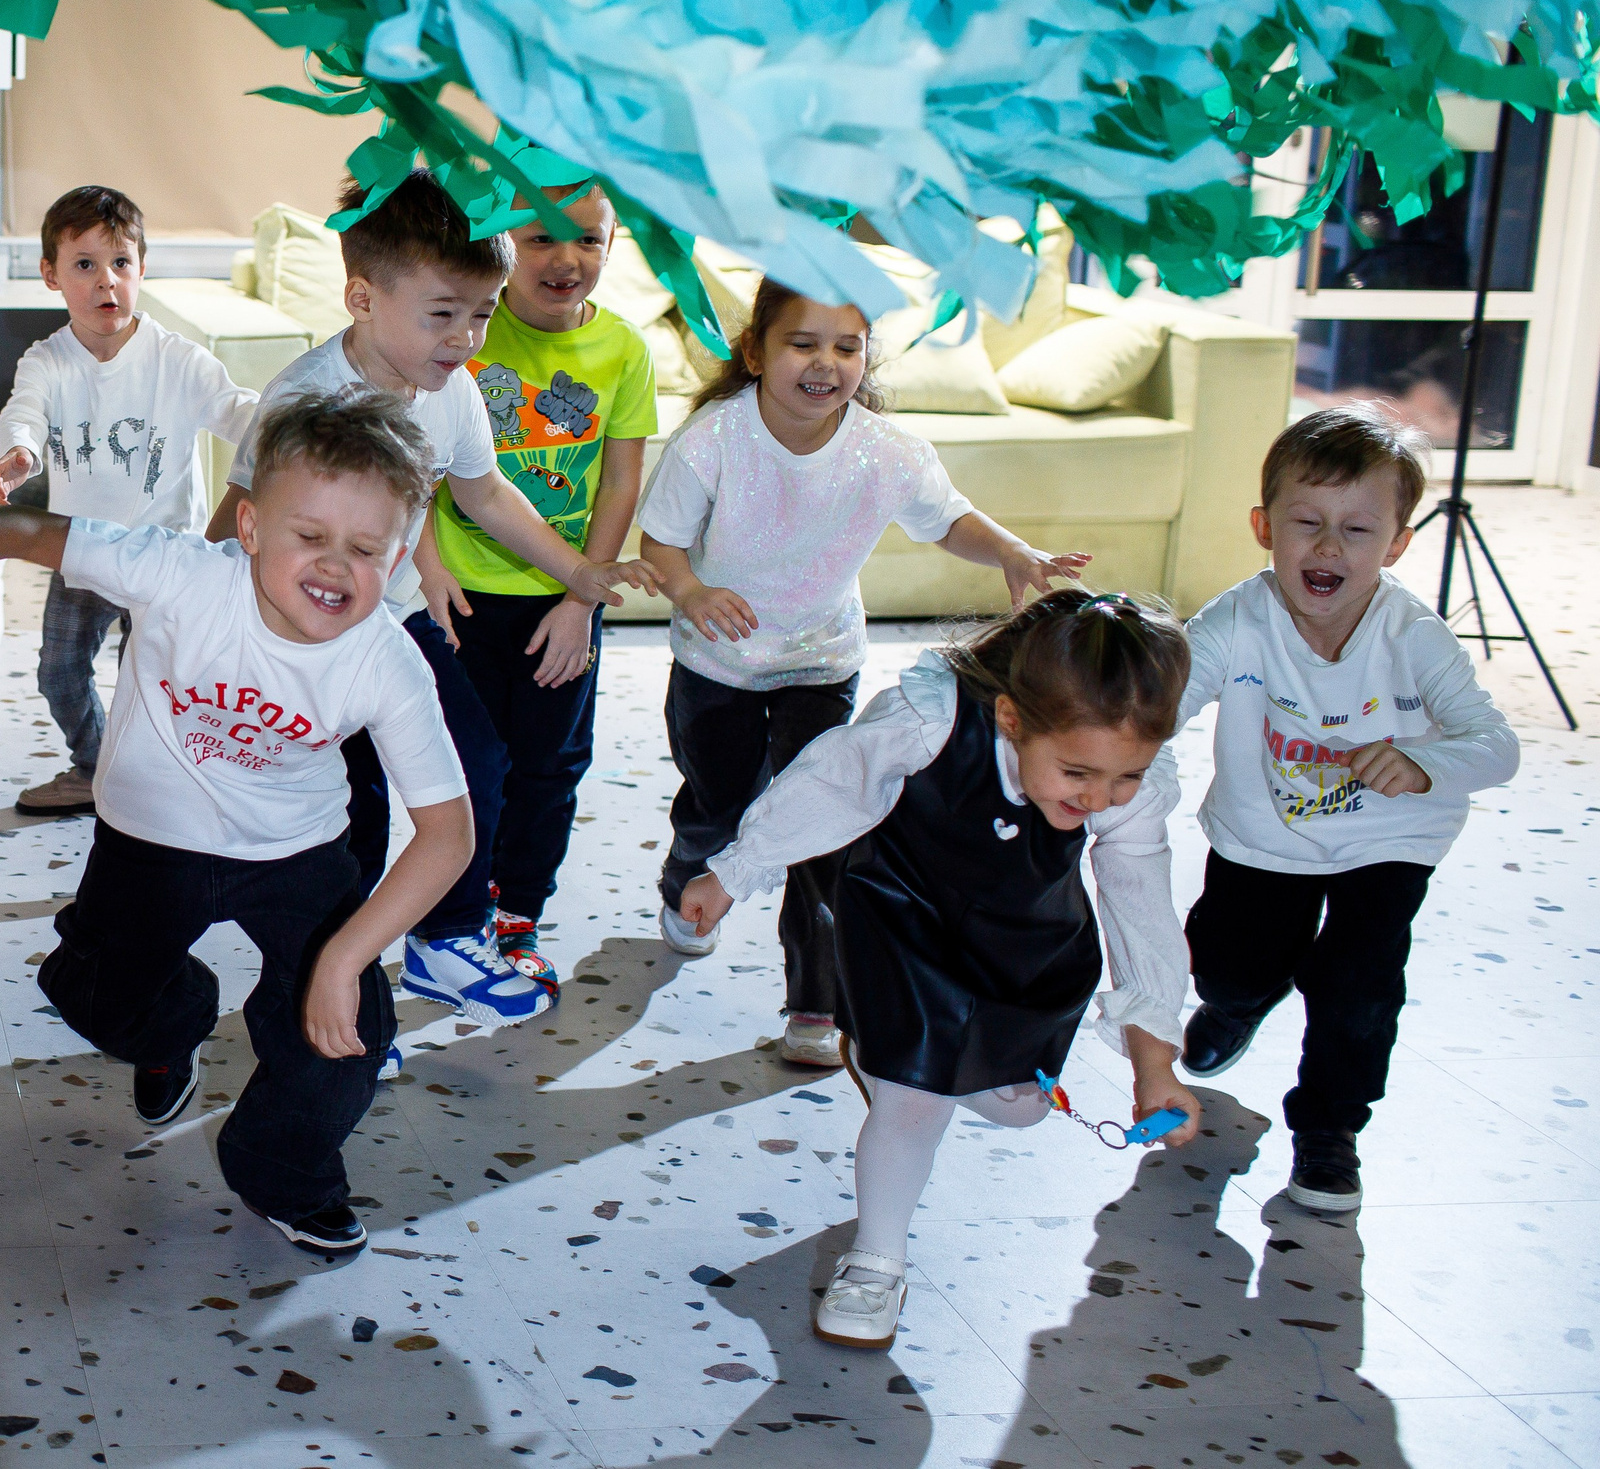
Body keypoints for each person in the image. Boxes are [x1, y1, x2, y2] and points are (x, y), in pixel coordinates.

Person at [0, 391, 474, 1256]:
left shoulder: (385, 659)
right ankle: (173, 1028)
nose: (336, 566)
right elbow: (32, 533)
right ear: (249, 528)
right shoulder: (182, 572)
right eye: (310, 535)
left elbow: (449, 834)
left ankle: (279, 1168)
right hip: (149, 841)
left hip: (297, 851)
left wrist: (345, 956)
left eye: (366, 549)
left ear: (398, 555)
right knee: (92, 991)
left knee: (346, 1031)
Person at [673, 589, 1203, 1350]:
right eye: (1079, 773)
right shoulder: (930, 720)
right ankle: (876, 1261)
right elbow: (829, 783)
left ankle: (907, 1070)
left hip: (1026, 942)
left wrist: (1155, 1064)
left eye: (1123, 778)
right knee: (914, 1098)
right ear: (1013, 720)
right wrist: (735, 868)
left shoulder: (1121, 779)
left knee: (1021, 1106)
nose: (1100, 798)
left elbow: (1139, 903)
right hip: (905, 921)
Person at [211, 169, 654, 1033]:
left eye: (482, 313)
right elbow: (240, 517)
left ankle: (447, 934)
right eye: (443, 313)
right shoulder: (304, 398)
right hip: (305, 636)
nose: (467, 337)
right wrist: (193, 615)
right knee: (350, 814)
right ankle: (340, 998)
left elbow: (486, 494)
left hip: (396, 623)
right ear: (363, 297)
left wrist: (577, 572)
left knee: (474, 762)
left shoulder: (452, 392)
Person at [638, 276, 1090, 1066]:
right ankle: (691, 870)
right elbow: (663, 544)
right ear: (756, 351)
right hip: (718, 662)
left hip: (821, 660)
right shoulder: (713, 438)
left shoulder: (887, 451)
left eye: (847, 346)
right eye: (803, 343)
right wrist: (692, 591)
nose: (826, 362)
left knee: (822, 819)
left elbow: (949, 518)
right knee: (721, 804)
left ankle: (815, 1001)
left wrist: (1012, 550)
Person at [1173, 404, 1518, 1211]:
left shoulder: (1414, 635)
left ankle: (1330, 1129)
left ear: (1396, 544)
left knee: (1358, 987)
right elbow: (1163, 704)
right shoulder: (1235, 621)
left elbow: (1495, 745)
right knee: (1228, 960)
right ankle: (1241, 999)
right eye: (1307, 522)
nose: (1328, 548)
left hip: (1391, 837)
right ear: (1264, 526)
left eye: (1358, 531)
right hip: (1265, 834)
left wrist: (1425, 762)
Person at [404, 178, 659, 985]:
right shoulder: (466, 328)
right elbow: (417, 460)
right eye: (542, 237)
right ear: (504, 242)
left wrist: (582, 600)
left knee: (550, 765)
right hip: (463, 595)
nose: (566, 258)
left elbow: (620, 485)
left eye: (588, 238)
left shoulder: (623, 350)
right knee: (469, 761)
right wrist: (429, 564)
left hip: (564, 603)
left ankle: (517, 909)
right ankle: (455, 916)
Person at [0, 185, 260, 816]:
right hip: (83, 553)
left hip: (166, 557)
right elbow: (23, 411)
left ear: (142, 270)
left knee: (156, 684)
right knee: (59, 674)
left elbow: (241, 414)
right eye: (84, 265)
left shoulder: (178, 362)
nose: (106, 281)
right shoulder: (47, 361)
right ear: (51, 276)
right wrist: (21, 452)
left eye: (121, 264)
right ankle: (99, 767)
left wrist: (300, 426)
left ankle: (158, 781)